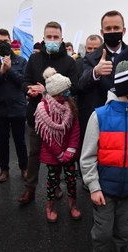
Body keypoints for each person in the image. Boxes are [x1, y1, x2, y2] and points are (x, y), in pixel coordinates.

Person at [80, 60, 128, 252]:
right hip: (104, 191)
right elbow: (88, 157)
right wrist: (94, 187)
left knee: (124, 235)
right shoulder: (99, 116)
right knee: (102, 234)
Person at [19, 21, 77, 205]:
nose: (52, 40)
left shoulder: (69, 62)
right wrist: (29, 89)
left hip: (61, 119)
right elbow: (24, 80)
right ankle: (30, 188)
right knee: (34, 153)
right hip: (37, 116)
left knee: (58, 154)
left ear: (61, 39)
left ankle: (56, 185)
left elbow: (73, 87)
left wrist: (47, 91)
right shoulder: (34, 59)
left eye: (56, 37)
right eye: (49, 37)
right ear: (43, 38)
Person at [35, 67, 81, 222]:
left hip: (69, 151)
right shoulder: (43, 109)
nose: (68, 93)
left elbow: (75, 129)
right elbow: (46, 136)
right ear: (56, 93)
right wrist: (60, 154)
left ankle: (72, 204)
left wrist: (70, 150)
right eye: (65, 91)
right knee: (52, 181)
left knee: (71, 179)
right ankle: (50, 206)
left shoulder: (70, 105)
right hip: (53, 154)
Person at [78, 11, 128, 145]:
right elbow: (81, 84)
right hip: (100, 119)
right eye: (108, 29)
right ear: (102, 31)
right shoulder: (90, 58)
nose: (112, 31)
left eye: (116, 28)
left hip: (127, 119)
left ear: (123, 30)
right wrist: (96, 72)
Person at [0, 32, 28, 184]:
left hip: (17, 108)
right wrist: (1, 72)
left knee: (20, 141)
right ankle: (4, 170)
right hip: (0, 108)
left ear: (11, 41)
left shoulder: (20, 61)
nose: (3, 44)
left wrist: (10, 69)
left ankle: (24, 168)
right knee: (2, 142)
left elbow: (23, 82)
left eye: (5, 40)